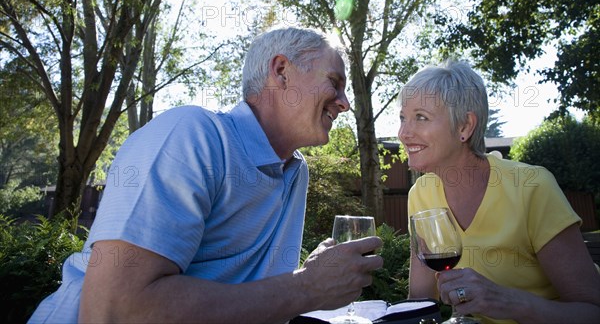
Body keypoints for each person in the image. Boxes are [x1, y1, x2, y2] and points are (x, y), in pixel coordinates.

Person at [29, 27, 383, 323]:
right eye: (334, 82)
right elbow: (113, 311)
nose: (344, 102)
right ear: (281, 71)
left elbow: (260, 300)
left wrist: (316, 275)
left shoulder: (295, 171)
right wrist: (307, 287)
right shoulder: (191, 135)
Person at [398, 60, 600, 324]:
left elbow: (592, 312)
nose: (403, 133)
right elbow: (421, 305)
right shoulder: (421, 194)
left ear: (464, 126)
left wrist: (509, 303)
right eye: (402, 118)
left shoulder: (530, 186)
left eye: (420, 117)